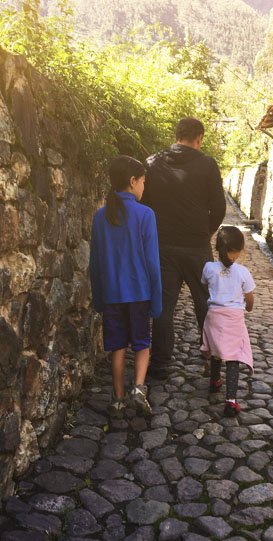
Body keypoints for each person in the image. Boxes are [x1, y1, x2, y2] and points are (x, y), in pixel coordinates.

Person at [143, 117, 226, 379]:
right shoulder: (207, 165)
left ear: (176, 134)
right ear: (198, 138)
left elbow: (144, 204)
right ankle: (211, 357)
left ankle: (160, 364)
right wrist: (206, 232)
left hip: (162, 246)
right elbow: (220, 207)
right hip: (196, 246)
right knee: (206, 303)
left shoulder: (152, 163)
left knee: (164, 306)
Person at [89, 155, 162, 418]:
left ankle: (118, 398)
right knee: (142, 343)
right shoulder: (146, 215)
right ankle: (139, 389)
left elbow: (94, 263)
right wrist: (157, 297)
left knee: (117, 346)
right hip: (140, 293)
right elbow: (152, 261)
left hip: (111, 294)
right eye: (143, 181)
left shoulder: (100, 216)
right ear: (132, 182)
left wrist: (98, 297)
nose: (144, 187)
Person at [200, 225, 255, 417]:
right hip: (233, 318)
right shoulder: (243, 272)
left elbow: (204, 284)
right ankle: (231, 401)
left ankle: (215, 381)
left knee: (216, 350)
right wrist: (248, 308)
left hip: (214, 315)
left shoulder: (209, 268)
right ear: (239, 250)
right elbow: (249, 299)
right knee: (233, 356)